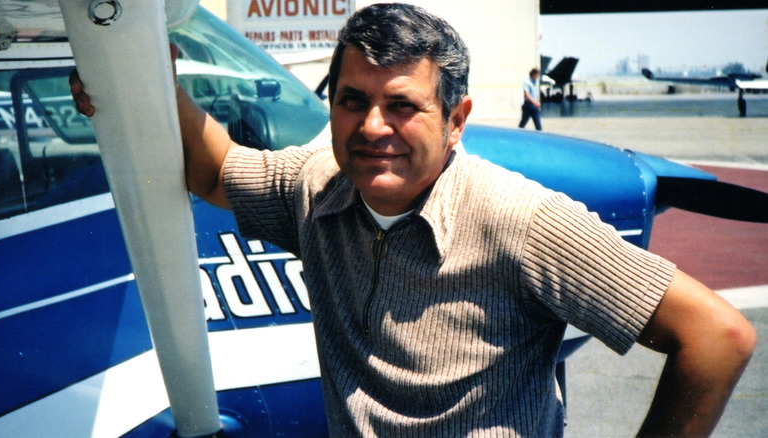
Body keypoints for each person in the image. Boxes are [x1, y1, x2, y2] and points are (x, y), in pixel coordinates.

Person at [71, 3, 755, 437]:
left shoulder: (522, 220)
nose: (372, 128)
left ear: (456, 120)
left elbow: (718, 336)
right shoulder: (317, 187)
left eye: (402, 105)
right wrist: (142, 87)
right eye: (351, 100)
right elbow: (216, 171)